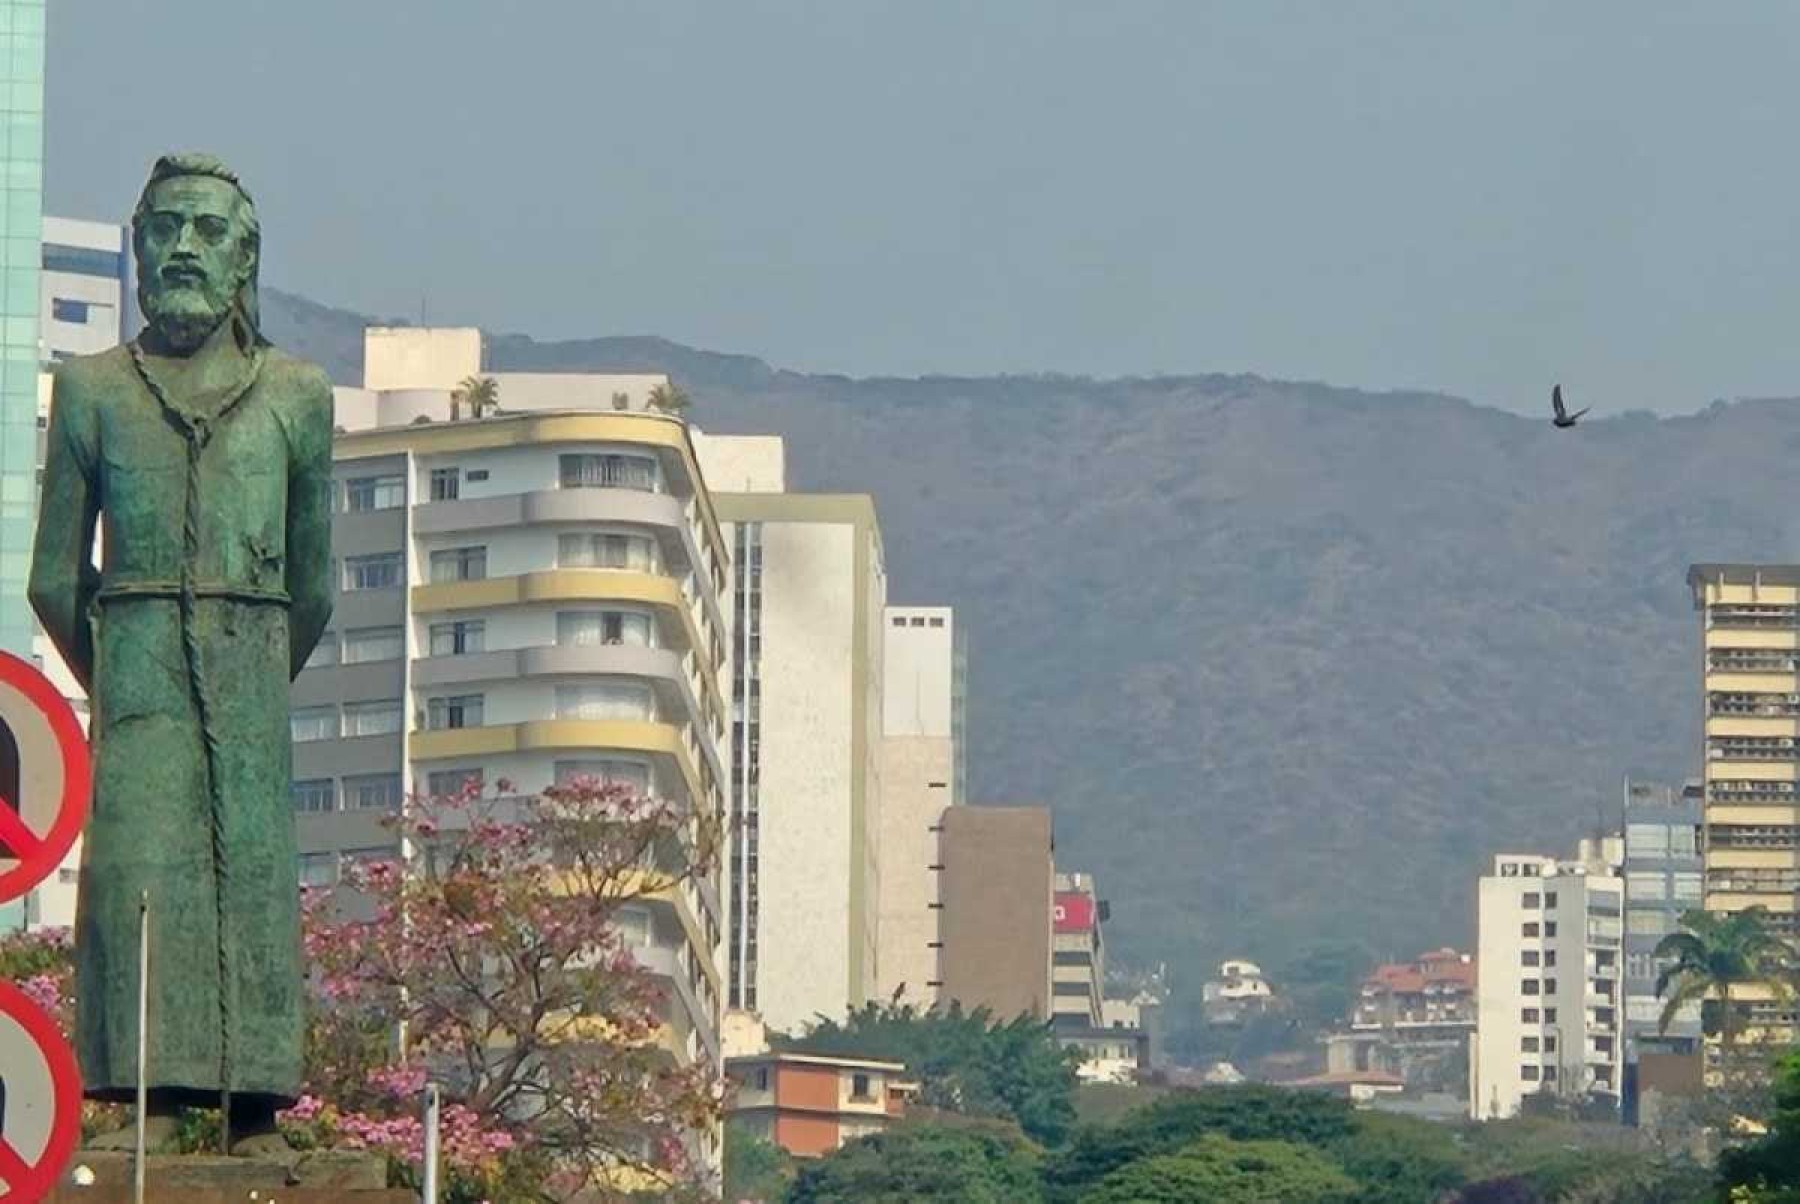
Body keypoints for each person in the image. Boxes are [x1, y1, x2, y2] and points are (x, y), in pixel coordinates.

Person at [28, 153, 333, 1155]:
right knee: (135, 876)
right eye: (165, 228)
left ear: (247, 256)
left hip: (252, 653)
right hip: (138, 653)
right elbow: (53, 577)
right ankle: (143, 1098)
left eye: (207, 230)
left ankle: (257, 1109)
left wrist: (255, 673)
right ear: (137, 245)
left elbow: (318, 580)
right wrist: (116, 674)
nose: (184, 249)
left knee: (251, 870)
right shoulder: (92, 390)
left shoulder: (297, 394)